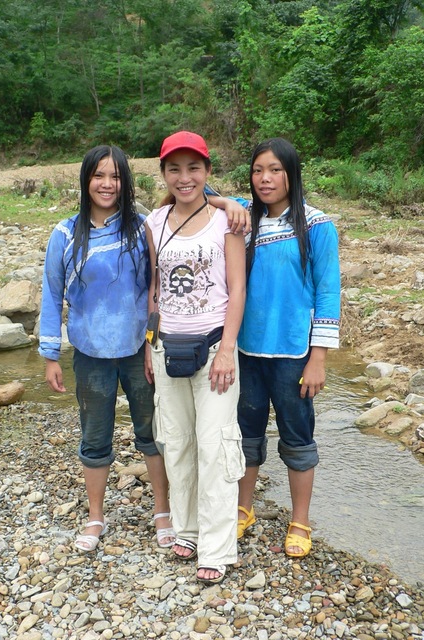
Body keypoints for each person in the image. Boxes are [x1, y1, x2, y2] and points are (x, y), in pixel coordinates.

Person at [38, 145, 174, 552]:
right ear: (86, 180)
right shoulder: (65, 233)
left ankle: (162, 512)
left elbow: (159, 283)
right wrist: (50, 356)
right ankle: (95, 516)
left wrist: (156, 343)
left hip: (140, 351)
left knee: (153, 433)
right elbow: (51, 294)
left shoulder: (143, 226)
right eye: (99, 176)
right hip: (90, 354)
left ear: (125, 182)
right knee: (95, 438)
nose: (107, 184)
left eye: (115, 177)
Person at [227, 137, 340, 557]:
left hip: (294, 354)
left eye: (275, 170)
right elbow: (201, 191)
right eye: (258, 170)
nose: (265, 178)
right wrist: (230, 204)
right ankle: (243, 508)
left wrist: (319, 357)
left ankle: (301, 520)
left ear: (292, 173)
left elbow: (329, 292)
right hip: (247, 352)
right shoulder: (245, 220)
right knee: (246, 436)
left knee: (297, 438)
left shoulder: (316, 225)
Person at [145, 131, 246, 584]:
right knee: (177, 443)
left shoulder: (227, 220)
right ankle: (186, 530)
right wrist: (150, 344)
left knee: (216, 444)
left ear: (207, 171)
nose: (184, 178)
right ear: (164, 173)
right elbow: (153, 289)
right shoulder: (155, 222)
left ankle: (219, 547)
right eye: (174, 169)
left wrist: (227, 348)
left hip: (213, 350)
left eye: (193, 168)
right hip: (167, 348)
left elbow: (237, 289)